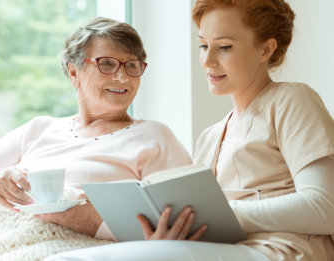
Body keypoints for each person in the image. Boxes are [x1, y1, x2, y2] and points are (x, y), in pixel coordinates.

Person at [45, 0, 334, 260]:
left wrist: (219, 216)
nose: (208, 61)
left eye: (225, 47)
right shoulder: (210, 136)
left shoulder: (292, 100)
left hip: (282, 251)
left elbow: (325, 207)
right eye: (203, 45)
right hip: (226, 250)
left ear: (266, 49)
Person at [0, 17, 193, 239]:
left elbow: (183, 222)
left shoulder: (153, 137)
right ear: (74, 72)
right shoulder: (39, 129)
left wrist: (92, 222)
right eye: (107, 64)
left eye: (132, 65)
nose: (123, 77)